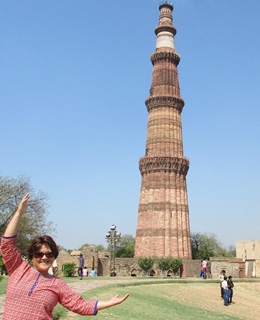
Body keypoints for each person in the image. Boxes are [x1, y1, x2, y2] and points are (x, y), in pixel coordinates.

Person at [0, 194, 129, 319]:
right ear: (32, 256)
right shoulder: (18, 270)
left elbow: (79, 305)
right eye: (39, 254)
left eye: (49, 254)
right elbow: (6, 245)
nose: (44, 258)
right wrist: (19, 213)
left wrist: (109, 303)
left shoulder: (57, 284)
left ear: (54, 257)